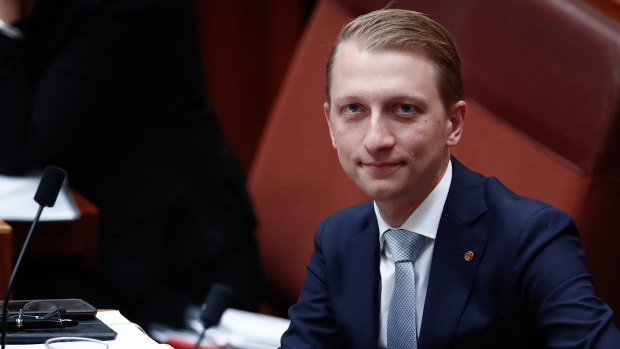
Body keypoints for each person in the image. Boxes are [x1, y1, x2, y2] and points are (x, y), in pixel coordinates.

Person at [279, 8, 620, 348]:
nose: (375, 139)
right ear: (331, 125)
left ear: (453, 124)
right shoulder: (337, 238)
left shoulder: (530, 236)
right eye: (354, 109)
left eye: (404, 109)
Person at [0, 0, 260, 331]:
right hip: (95, 241)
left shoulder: (129, 7)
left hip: (166, 268)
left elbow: (15, 147)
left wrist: (5, 22)